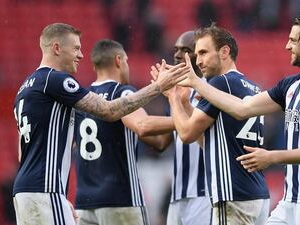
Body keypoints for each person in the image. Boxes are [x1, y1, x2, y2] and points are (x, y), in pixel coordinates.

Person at [179, 12, 300, 225]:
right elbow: (242, 108)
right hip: (290, 200)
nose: (287, 46)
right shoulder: (290, 85)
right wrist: (197, 84)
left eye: (293, 41)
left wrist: (272, 157)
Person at [12, 22, 189, 225]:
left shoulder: (25, 88)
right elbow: (110, 111)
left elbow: (22, 151)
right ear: (57, 48)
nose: (80, 55)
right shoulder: (56, 80)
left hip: (30, 192)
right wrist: (159, 87)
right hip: (64, 192)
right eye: (76, 48)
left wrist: (57, 197)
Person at [162, 24, 270, 225]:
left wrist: (173, 98)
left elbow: (186, 134)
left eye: (203, 52)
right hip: (258, 193)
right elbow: (209, 141)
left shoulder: (219, 84)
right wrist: (186, 103)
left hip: (233, 193)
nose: (198, 60)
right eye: (196, 54)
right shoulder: (252, 87)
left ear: (224, 52)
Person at [74, 39, 174, 225]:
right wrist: (185, 120)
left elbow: (159, 143)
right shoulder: (121, 92)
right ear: (119, 60)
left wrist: (174, 109)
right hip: (119, 198)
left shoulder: (82, 99)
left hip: (84, 201)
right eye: (127, 61)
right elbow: (142, 125)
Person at [165, 31, 211, 225]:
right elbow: (161, 142)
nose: (177, 55)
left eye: (186, 50)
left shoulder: (211, 90)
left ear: (199, 55)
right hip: (178, 193)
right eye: (176, 49)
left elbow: (197, 134)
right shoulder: (177, 91)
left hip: (204, 193)